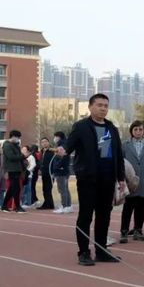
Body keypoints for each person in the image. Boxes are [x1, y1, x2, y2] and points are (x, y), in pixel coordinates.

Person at [57, 94, 127, 266]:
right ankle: (83, 252)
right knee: (86, 215)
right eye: (99, 105)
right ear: (90, 107)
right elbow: (69, 144)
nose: (103, 108)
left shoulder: (111, 128)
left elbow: (118, 154)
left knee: (104, 216)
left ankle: (101, 251)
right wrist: (63, 150)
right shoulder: (81, 126)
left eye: (106, 106)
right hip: (88, 178)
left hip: (108, 178)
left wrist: (121, 178)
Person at [119, 120, 144, 243]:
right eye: (135, 129)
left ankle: (138, 230)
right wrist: (121, 178)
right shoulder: (125, 145)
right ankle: (124, 231)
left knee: (141, 207)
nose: (138, 132)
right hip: (130, 180)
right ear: (131, 131)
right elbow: (120, 162)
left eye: (140, 129)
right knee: (128, 207)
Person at [2, 130, 25, 213]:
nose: (18, 139)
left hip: (17, 169)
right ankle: (17, 207)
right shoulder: (7, 145)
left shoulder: (16, 145)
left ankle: (4, 205)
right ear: (13, 136)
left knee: (12, 188)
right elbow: (11, 157)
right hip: (12, 169)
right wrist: (22, 156)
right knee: (16, 188)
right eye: (18, 137)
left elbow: (18, 156)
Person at [51, 131, 73, 214]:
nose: (54, 139)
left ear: (58, 137)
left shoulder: (61, 146)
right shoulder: (65, 145)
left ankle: (64, 206)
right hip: (64, 170)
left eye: (55, 137)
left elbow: (63, 158)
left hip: (61, 171)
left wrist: (57, 166)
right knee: (65, 189)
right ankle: (68, 206)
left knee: (62, 189)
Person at [37, 137, 56, 210]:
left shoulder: (52, 151)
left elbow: (55, 161)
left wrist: (53, 172)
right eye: (42, 142)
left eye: (45, 141)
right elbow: (41, 161)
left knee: (48, 188)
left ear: (48, 142)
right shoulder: (42, 151)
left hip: (50, 173)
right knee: (45, 189)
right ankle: (49, 204)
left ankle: (47, 204)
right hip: (44, 172)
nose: (44, 143)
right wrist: (40, 168)